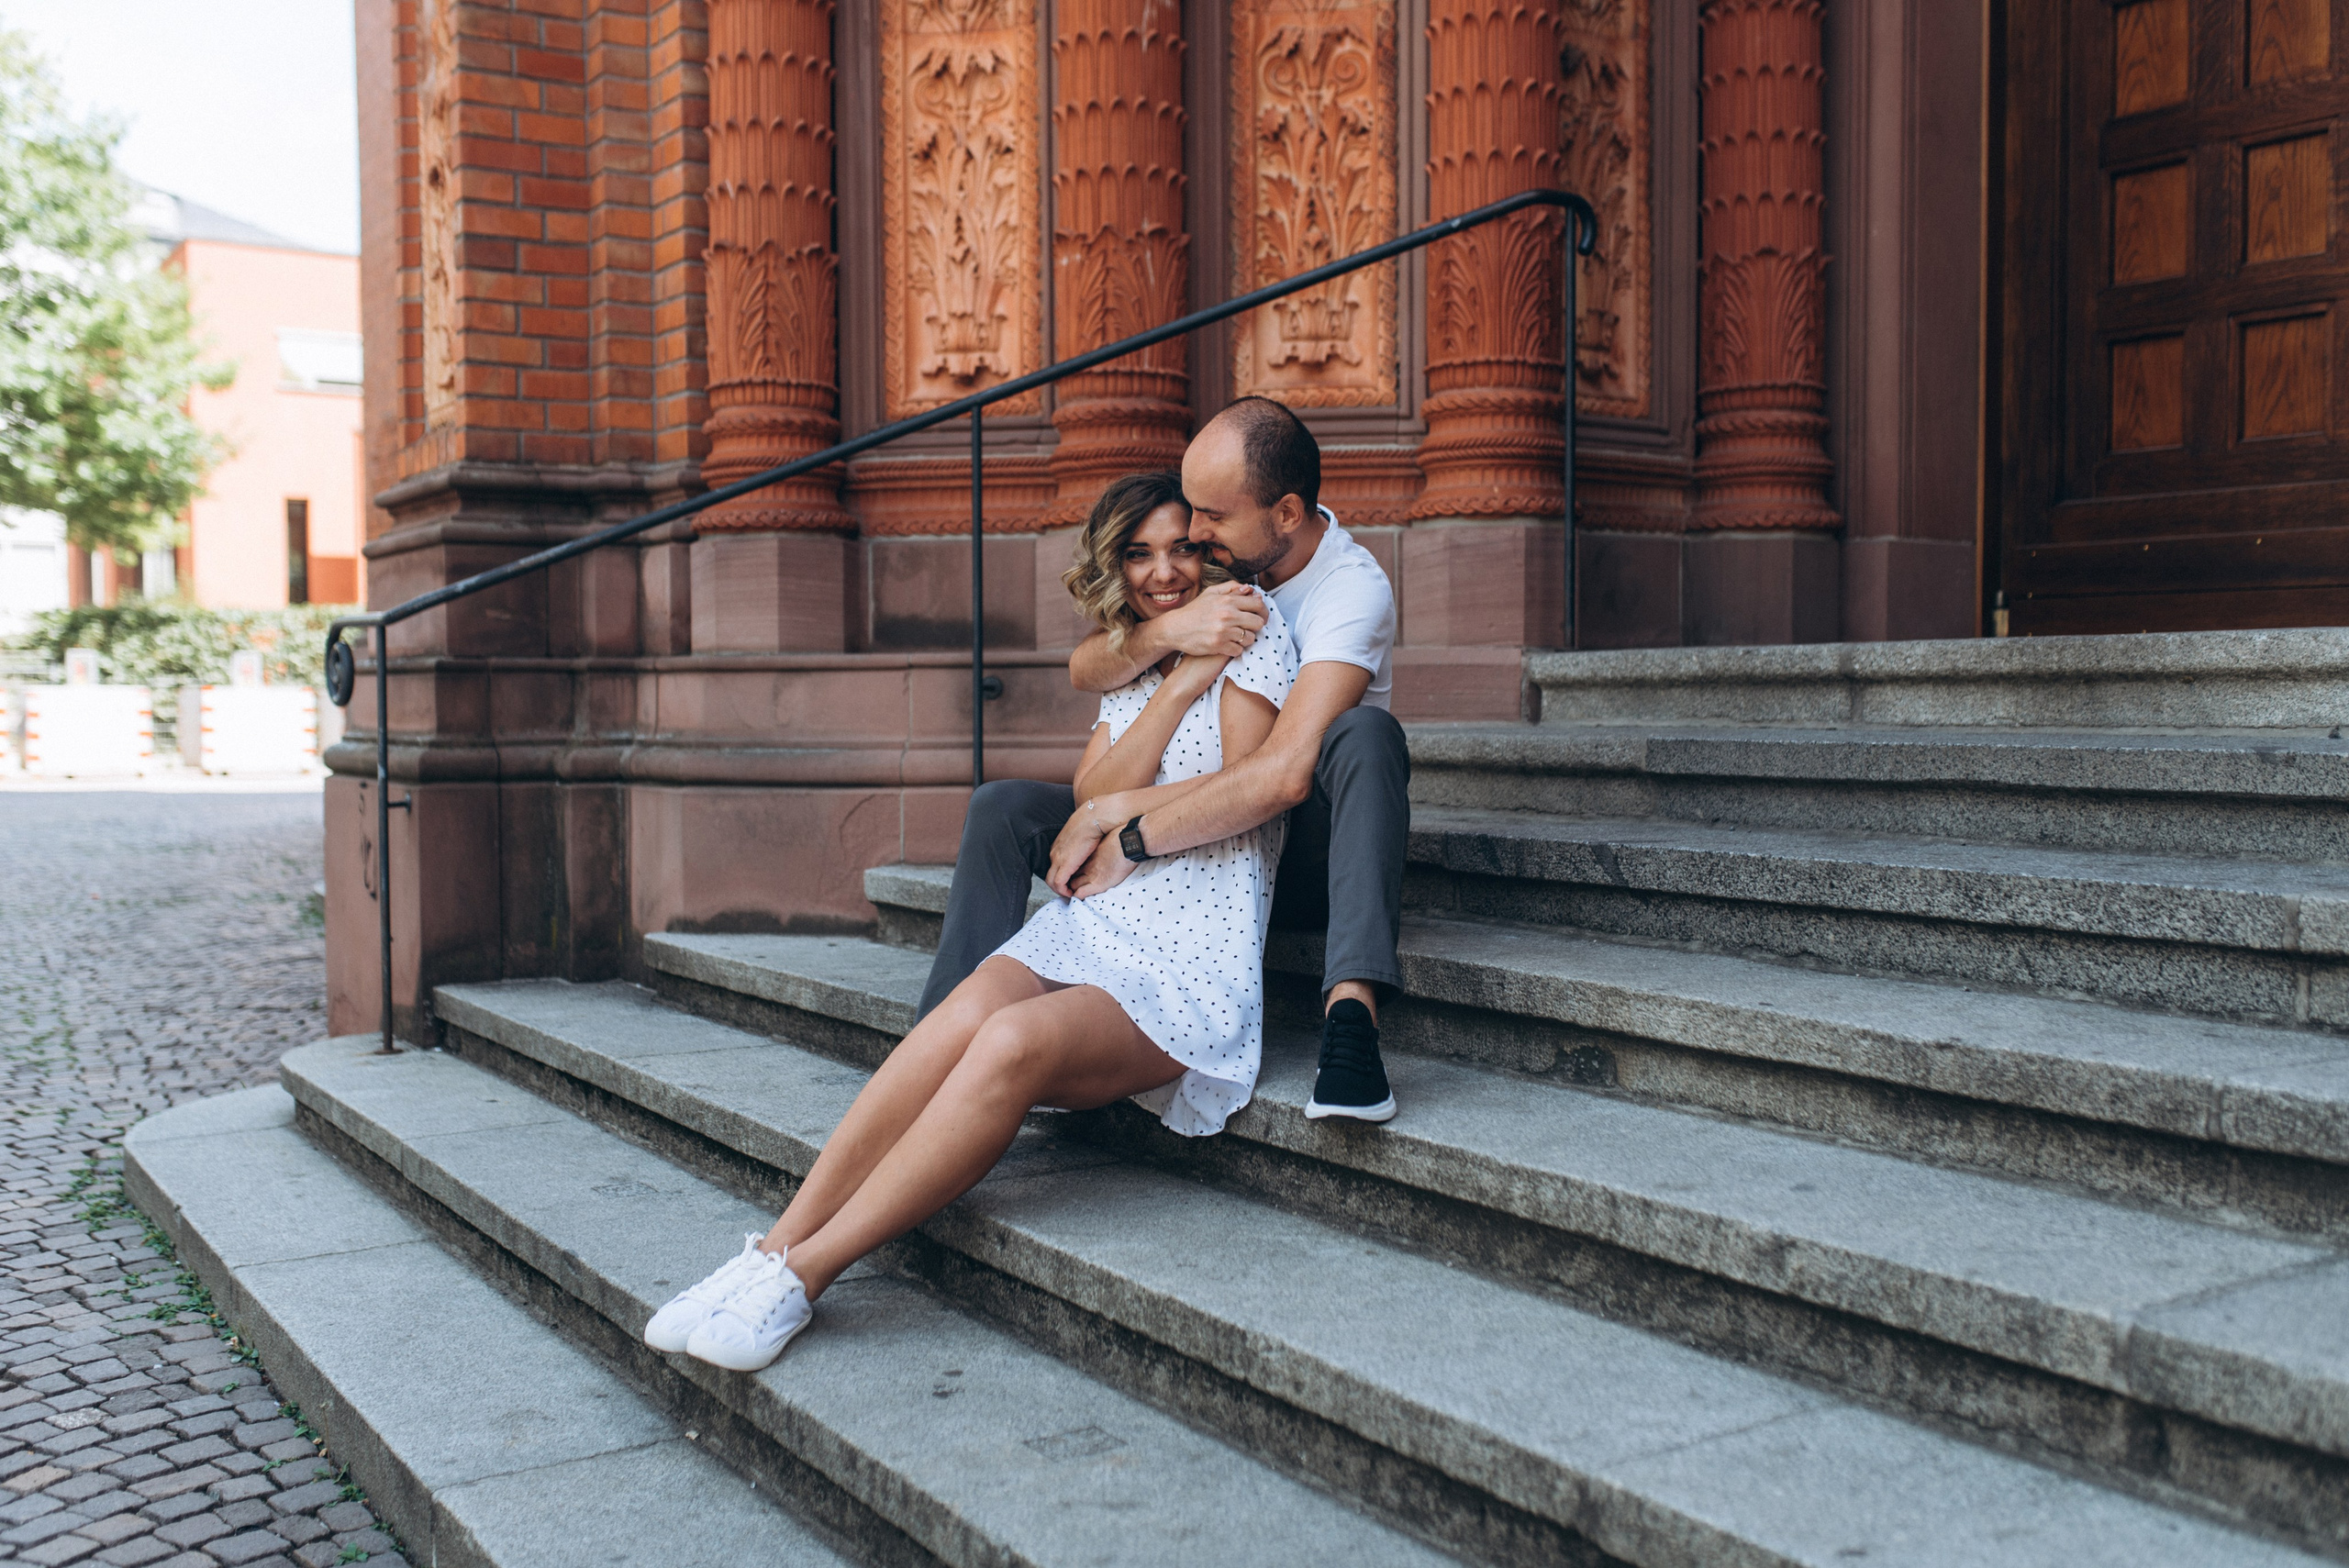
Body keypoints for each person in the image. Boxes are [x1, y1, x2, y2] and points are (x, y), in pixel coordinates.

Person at [642, 471, 1301, 1373]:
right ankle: (770, 1248)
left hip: (1187, 953)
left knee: (1007, 1041)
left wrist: (1169, 719)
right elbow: (1092, 795)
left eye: (1182, 546)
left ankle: (808, 1278)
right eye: (1140, 552)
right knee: (963, 1008)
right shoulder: (1149, 661)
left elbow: (1248, 790)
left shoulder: (1249, 633)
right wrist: (1177, 683)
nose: (1161, 571)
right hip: (1097, 922)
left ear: (1215, 545)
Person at [919, 396, 1407, 1122]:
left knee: (1366, 737)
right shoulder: (1210, 576)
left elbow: (1281, 774)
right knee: (1003, 806)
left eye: (1211, 517)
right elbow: (1089, 665)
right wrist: (1170, 634)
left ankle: (1351, 1024)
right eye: (1190, 518)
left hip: (1298, 842)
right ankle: (934, 1037)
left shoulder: (1348, 589)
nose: (1196, 531)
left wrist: (1125, 827)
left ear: (1285, 514)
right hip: (1183, 815)